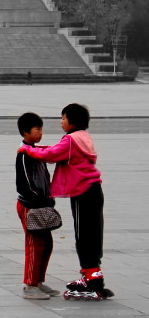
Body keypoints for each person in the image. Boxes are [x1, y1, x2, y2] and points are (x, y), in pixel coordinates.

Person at [18, 103, 113, 300]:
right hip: (93, 191)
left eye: (63, 118)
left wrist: (27, 150)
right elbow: (54, 150)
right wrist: (37, 149)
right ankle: (94, 275)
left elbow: (51, 154)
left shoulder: (71, 140)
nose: (61, 122)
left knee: (84, 236)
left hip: (83, 192)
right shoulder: (83, 137)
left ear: (72, 121)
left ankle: (90, 278)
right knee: (93, 234)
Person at [15, 112, 59, 300]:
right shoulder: (24, 154)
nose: (40, 133)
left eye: (41, 129)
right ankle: (30, 285)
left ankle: (39, 281)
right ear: (26, 132)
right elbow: (24, 183)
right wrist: (37, 199)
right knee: (34, 244)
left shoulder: (35, 151)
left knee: (46, 244)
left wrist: (49, 196)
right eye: (37, 129)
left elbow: (45, 177)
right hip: (29, 206)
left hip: (41, 204)